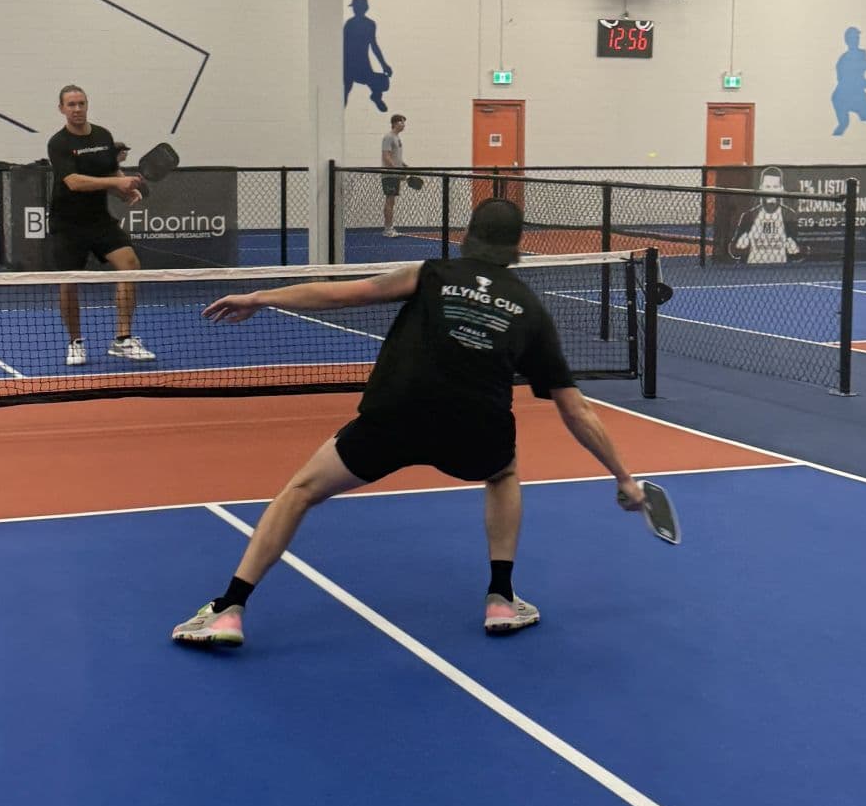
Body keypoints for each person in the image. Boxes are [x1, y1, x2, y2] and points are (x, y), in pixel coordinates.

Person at [171, 197, 647, 649]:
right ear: (516, 246)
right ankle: (501, 600)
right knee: (501, 473)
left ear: (468, 237)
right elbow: (575, 408)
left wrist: (262, 296)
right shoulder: (531, 310)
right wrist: (624, 478)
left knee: (299, 492)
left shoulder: (431, 273)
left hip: (397, 415)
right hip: (473, 428)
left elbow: (343, 294)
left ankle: (229, 608)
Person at [46, 85, 156, 365]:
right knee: (69, 282)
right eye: (71, 104)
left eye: (81, 103)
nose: (77, 109)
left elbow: (109, 170)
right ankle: (75, 342)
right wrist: (116, 183)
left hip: (99, 220)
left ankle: (122, 339)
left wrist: (125, 189)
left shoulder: (103, 136)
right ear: (61, 109)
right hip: (67, 224)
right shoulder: (58, 143)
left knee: (130, 265)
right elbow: (74, 181)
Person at [732, 167, 800, 265]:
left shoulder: (789, 215)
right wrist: (740, 245)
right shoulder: (748, 216)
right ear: (761, 188)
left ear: (781, 189)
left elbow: (800, 253)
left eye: (775, 187)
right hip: (752, 268)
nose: (771, 192)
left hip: (782, 268)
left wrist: (795, 249)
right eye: (767, 187)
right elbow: (733, 251)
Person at [343, 0, 393, 111]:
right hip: (350, 63)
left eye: (356, 7)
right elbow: (373, 46)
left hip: (356, 63)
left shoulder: (360, 24)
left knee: (348, 89)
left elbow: (373, 45)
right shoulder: (356, 24)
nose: (355, 10)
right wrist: (384, 65)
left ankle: (376, 96)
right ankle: (376, 96)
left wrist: (384, 65)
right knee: (346, 90)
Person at [381, 113, 408, 237]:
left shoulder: (397, 138)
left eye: (404, 122)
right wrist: (397, 170)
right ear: (395, 123)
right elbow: (386, 157)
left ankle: (389, 227)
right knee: (389, 201)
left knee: (392, 202)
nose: (403, 125)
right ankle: (388, 229)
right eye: (401, 122)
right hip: (390, 174)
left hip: (395, 173)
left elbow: (396, 158)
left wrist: (404, 166)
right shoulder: (389, 137)